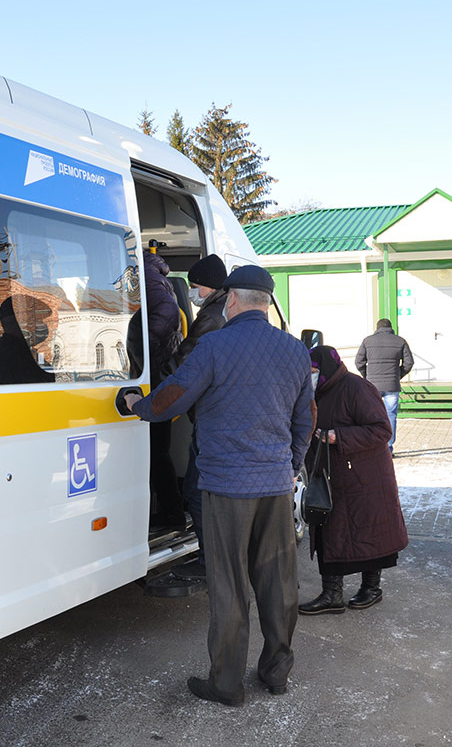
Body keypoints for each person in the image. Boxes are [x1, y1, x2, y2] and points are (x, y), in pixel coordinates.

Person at [125, 265, 313, 707]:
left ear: (231, 300)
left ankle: (226, 684)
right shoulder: (294, 351)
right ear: (264, 302)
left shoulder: (213, 346)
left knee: (229, 584)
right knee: (278, 582)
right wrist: (291, 465)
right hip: (274, 485)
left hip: (226, 486)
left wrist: (137, 403)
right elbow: (306, 418)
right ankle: (275, 672)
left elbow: (170, 399)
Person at [298, 345, 408, 616]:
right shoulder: (313, 392)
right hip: (329, 475)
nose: (310, 375)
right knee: (326, 529)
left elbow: (382, 429)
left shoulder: (357, 388)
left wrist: (339, 437)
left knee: (370, 532)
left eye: (313, 371)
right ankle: (332, 594)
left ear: (326, 368)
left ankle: (371, 587)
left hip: (364, 477)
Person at [172, 254, 228, 577]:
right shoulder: (220, 311)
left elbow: (185, 366)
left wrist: (154, 399)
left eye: (194, 287)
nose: (192, 292)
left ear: (209, 286)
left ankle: (210, 562)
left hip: (208, 418)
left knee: (196, 493)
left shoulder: (209, 319)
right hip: (216, 416)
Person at [127, 249, 185, 532]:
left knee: (157, 452)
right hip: (158, 375)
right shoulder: (155, 276)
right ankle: (169, 511)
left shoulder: (147, 276)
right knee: (157, 451)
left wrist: (143, 350)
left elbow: (167, 312)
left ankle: (172, 514)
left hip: (154, 378)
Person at [355, 318, 413, 453]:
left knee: (369, 415)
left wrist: (367, 377)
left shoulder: (367, 341)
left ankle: (371, 446)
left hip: (372, 386)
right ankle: (388, 448)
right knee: (390, 415)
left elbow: (359, 362)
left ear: (377, 328)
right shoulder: (400, 341)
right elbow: (409, 363)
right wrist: (398, 376)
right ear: (391, 328)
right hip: (392, 386)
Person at [0, 297, 55, 385]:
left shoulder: (23, 348)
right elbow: (34, 381)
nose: (42, 325)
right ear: (17, 322)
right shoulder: (8, 353)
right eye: (38, 320)